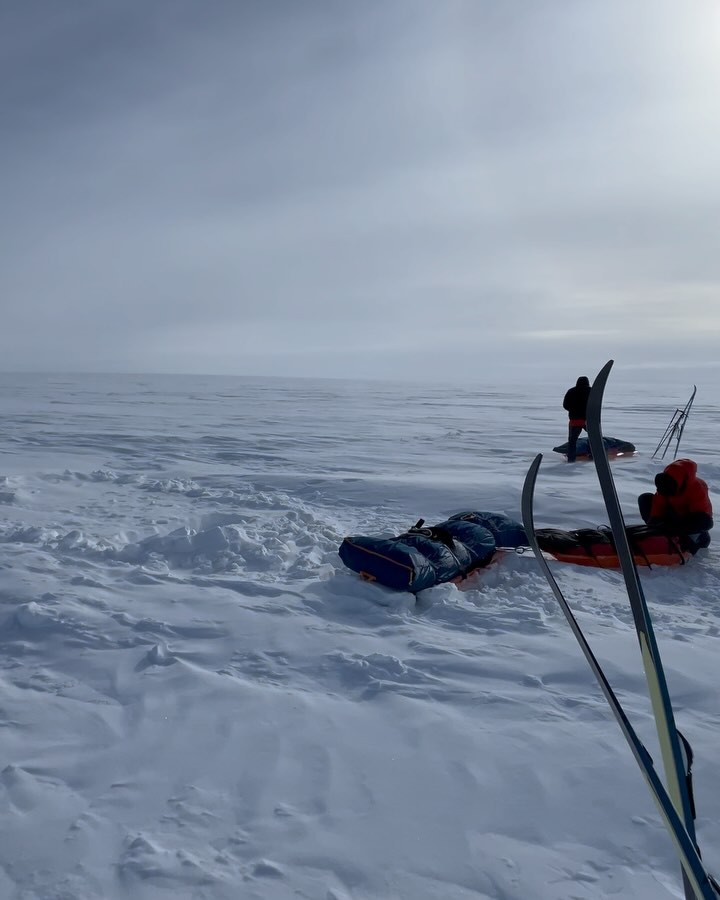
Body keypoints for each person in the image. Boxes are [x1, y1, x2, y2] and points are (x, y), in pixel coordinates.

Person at [638, 458, 713, 552]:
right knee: (645, 498)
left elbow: (703, 518)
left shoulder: (697, 488)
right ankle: (662, 534)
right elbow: (658, 507)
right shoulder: (664, 483)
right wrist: (653, 526)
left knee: (702, 521)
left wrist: (680, 530)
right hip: (671, 518)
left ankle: (695, 539)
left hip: (688, 520)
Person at [562, 376, 591, 462]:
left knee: (572, 441)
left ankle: (571, 459)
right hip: (588, 419)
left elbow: (565, 405)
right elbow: (596, 404)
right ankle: (592, 455)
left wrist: (573, 410)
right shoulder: (591, 391)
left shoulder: (571, 391)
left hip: (575, 420)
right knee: (593, 438)